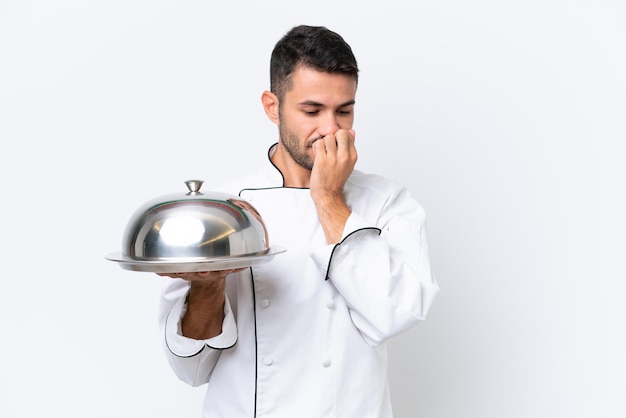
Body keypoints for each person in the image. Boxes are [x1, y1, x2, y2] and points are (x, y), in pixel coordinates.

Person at [158, 25, 439, 417]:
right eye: (312, 110)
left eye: (344, 110)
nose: (330, 128)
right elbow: (191, 367)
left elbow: (394, 314)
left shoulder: (388, 201)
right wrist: (209, 288)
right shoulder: (227, 211)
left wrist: (326, 196)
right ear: (272, 106)